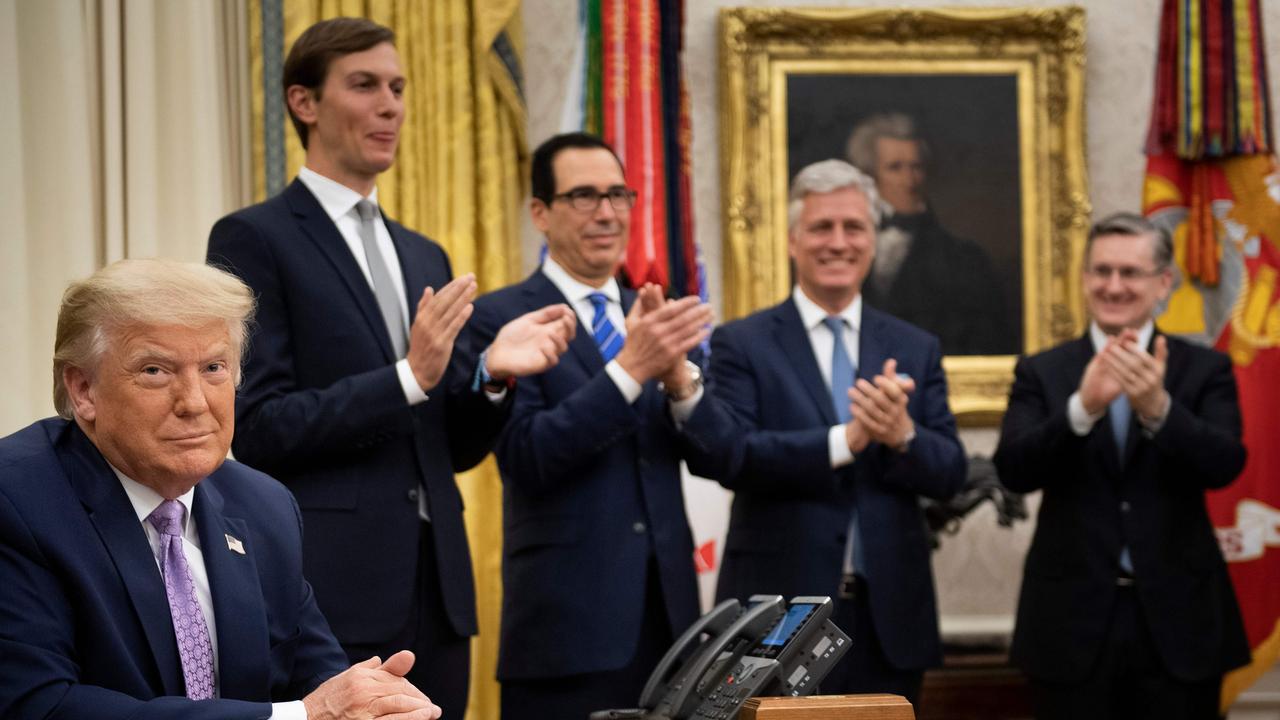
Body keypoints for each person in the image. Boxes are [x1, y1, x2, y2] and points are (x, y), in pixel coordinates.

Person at [206, 18, 575, 715]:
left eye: (399, 88)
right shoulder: (254, 238)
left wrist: (491, 378)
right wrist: (406, 378)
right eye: (366, 85)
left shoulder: (424, 254)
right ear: (304, 103)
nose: (391, 106)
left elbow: (451, 448)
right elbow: (254, 426)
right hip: (330, 593)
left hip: (439, 596)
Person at [0, 258, 443, 720]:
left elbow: (316, 677)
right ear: (84, 389)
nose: (194, 402)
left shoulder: (264, 507)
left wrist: (375, 705)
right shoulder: (16, 499)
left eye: (213, 367)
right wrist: (297, 717)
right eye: (155, 371)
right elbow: (39, 705)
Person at [467, 132, 737, 720]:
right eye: (584, 196)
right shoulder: (502, 318)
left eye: (618, 194)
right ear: (540, 212)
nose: (608, 212)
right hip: (566, 630)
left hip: (673, 624)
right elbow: (527, 455)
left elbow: (721, 456)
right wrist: (630, 369)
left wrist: (679, 382)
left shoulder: (657, 311)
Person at [689, 159, 966, 705]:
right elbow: (734, 455)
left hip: (887, 621)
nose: (838, 242)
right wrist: (848, 440)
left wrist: (903, 434)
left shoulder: (913, 345)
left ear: (872, 238)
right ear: (793, 241)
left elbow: (951, 472)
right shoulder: (743, 343)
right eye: (821, 227)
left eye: (854, 227)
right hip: (776, 621)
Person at [993, 212, 1250, 719]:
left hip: (1181, 627)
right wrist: (1081, 409)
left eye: (1129, 273)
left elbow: (1225, 464)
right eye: (1101, 271)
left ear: (1163, 284)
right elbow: (1014, 470)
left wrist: (1159, 410)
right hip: (1069, 629)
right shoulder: (1043, 371)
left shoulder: (1205, 369)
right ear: (1085, 278)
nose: (1113, 286)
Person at [845, 112, 1014, 355]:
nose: (910, 180)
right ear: (869, 176)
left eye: (917, 167)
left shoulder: (966, 261)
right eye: (896, 168)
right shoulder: (839, 248)